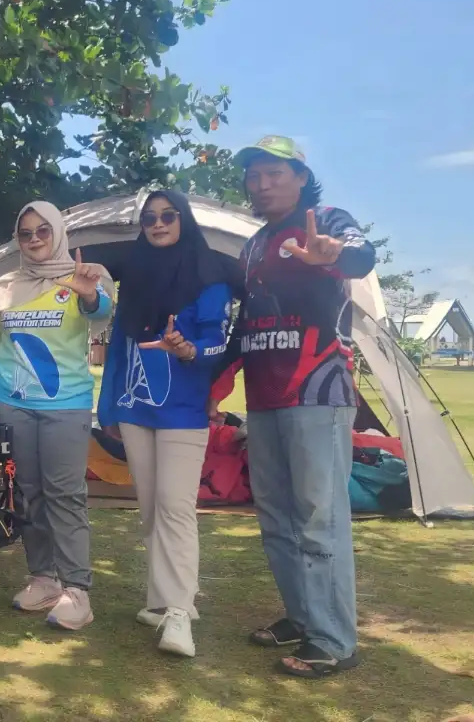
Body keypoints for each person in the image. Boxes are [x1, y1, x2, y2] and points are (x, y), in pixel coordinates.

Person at [210, 135, 376, 678]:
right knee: (276, 519)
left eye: (273, 173)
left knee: (319, 521)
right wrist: (207, 375)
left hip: (317, 394)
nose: (261, 184)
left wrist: (335, 254)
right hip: (263, 400)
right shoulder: (254, 245)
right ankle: (303, 616)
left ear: (300, 176)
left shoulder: (325, 219)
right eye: (253, 176)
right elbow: (243, 326)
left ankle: (335, 639)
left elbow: (361, 254)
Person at [96, 190, 237, 657]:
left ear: (183, 220)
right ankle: (160, 601)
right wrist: (109, 408)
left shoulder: (208, 276)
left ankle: (180, 613)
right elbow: (120, 346)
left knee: (176, 506)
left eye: (167, 216)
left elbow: (217, 343)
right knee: (152, 506)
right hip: (136, 407)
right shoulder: (134, 277)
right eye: (150, 218)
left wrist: (189, 349)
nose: (158, 224)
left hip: (183, 409)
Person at [0, 201, 113, 631]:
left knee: (65, 495)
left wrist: (89, 294)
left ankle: (77, 590)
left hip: (66, 406)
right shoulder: (2, 288)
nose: (34, 240)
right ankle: (43, 578)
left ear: (58, 233)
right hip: (15, 406)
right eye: (26, 233)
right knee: (29, 494)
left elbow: (102, 314)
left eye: (43, 231)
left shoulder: (85, 276)